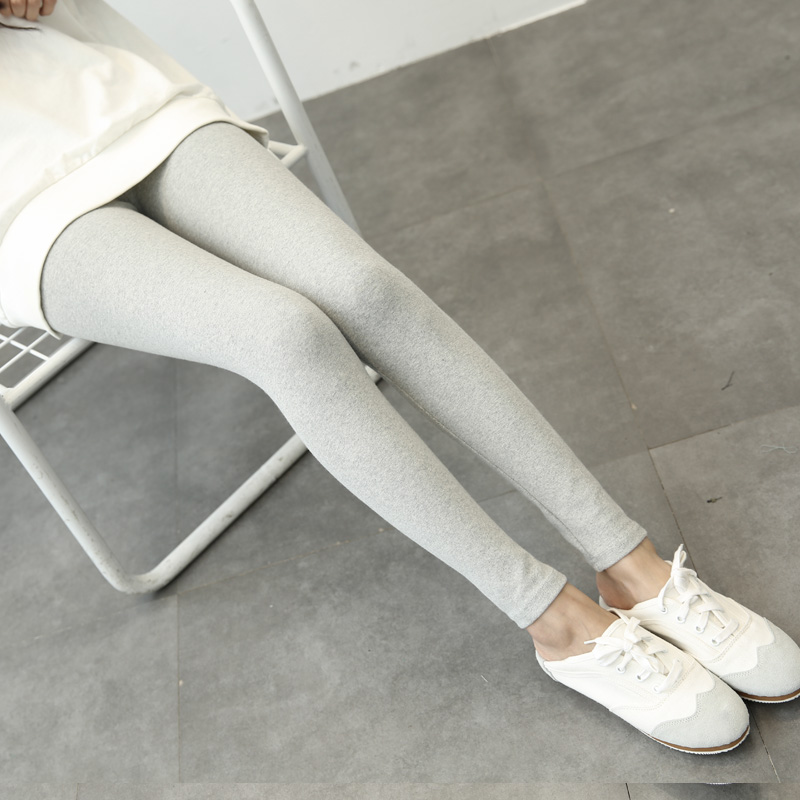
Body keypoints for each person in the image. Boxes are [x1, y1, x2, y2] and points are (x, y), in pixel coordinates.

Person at [2, 0, 799, 756]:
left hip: (96, 81)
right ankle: (553, 620)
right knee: (284, 335)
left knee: (366, 291)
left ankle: (631, 564)